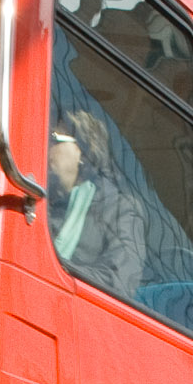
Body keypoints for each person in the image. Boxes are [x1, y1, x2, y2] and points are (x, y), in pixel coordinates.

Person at [47, 109, 147, 300]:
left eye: (55, 138)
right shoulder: (41, 200)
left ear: (83, 153)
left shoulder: (120, 209)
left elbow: (118, 281)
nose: (48, 146)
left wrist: (52, 266)